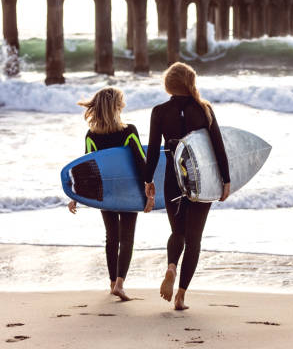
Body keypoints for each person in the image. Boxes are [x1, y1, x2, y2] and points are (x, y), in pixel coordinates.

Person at [144, 62, 230, 310]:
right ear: (191, 83)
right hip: (201, 181)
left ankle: (171, 267)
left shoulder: (159, 111)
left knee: (177, 232)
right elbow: (218, 147)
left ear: (168, 85)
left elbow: (152, 151)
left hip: (173, 178)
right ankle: (180, 296)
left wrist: (148, 180)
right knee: (194, 239)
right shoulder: (204, 109)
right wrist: (225, 179)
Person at [68, 87, 153, 301]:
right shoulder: (129, 131)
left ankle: (112, 283)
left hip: (105, 193)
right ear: (116, 107)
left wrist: (76, 194)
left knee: (111, 238)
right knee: (127, 238)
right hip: (128, 191)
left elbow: (87, 170)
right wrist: (149, 190)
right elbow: (141, 163)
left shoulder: (92, 136)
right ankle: (121, 284)